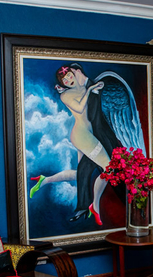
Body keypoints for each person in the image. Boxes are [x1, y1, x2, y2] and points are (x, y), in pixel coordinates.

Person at [30, 63, 123, 225]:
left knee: (80, 173)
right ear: (62, 84)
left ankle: (45, 180)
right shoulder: (65, 95)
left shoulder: (81, 87)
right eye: (65, 80)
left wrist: (91, 87)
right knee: (109, 169)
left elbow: (89, 88)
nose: (69, 80)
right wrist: (90, 90)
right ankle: (95, 206)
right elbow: (80, 108)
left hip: (87, 134)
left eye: (70, 76)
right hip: (82, 136)